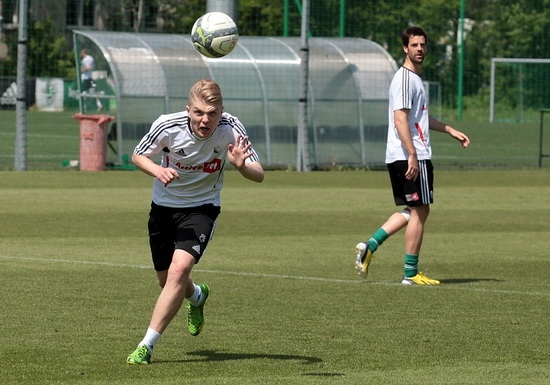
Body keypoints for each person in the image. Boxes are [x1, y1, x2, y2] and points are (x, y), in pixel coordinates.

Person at [126, 79, 264, 364]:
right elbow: (138, 155)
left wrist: (240, 166)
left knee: (179, 271)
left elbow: (258, 173)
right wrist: (157, 170)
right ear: (188, 110)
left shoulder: (231, 128)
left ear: (221, 111)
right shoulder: (167, 125)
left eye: (212, 113)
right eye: (199, 112)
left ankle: (146, 346)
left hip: (203, 208)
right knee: (166, 280)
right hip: (163, 209)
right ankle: (198, 296)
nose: (206, 120)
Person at [354, 26, 470, 285]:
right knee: (421, 210)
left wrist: (449, 129)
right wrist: (413, 155)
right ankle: (410, 274)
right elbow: (400, 119)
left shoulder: (414, 79)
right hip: (409, 154)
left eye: (423, 45)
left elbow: (420, 117)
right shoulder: (406, 78)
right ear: (405, 48)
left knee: (415, 208)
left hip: (404, 153)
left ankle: (370, 245)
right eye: (414, 45)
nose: (420, 49)